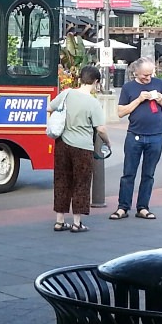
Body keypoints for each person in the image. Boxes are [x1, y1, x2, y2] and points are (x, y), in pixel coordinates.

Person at [48, 66, 110, 233]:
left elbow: (50, 108)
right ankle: (77, 222)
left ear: (80, 78)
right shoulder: (93, 102)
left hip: (62, 144)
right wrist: (108, 143)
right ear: (96, 81)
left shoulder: (66, 94)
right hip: (82, 147)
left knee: (61, 181)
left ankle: (59, 221)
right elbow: (101, 129)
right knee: (81, 183)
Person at [111, 57, 162, 220]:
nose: (148, 78)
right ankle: (123, 207)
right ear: (135, 73)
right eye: (144, 75)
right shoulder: (128, 88)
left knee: (149, 174)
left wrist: (160, 100)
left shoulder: (160, 84)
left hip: (156, 135)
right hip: (134, 135)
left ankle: (143, 207)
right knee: (128, 173)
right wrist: (139, 99)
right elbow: (121, 112)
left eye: (150, 74)